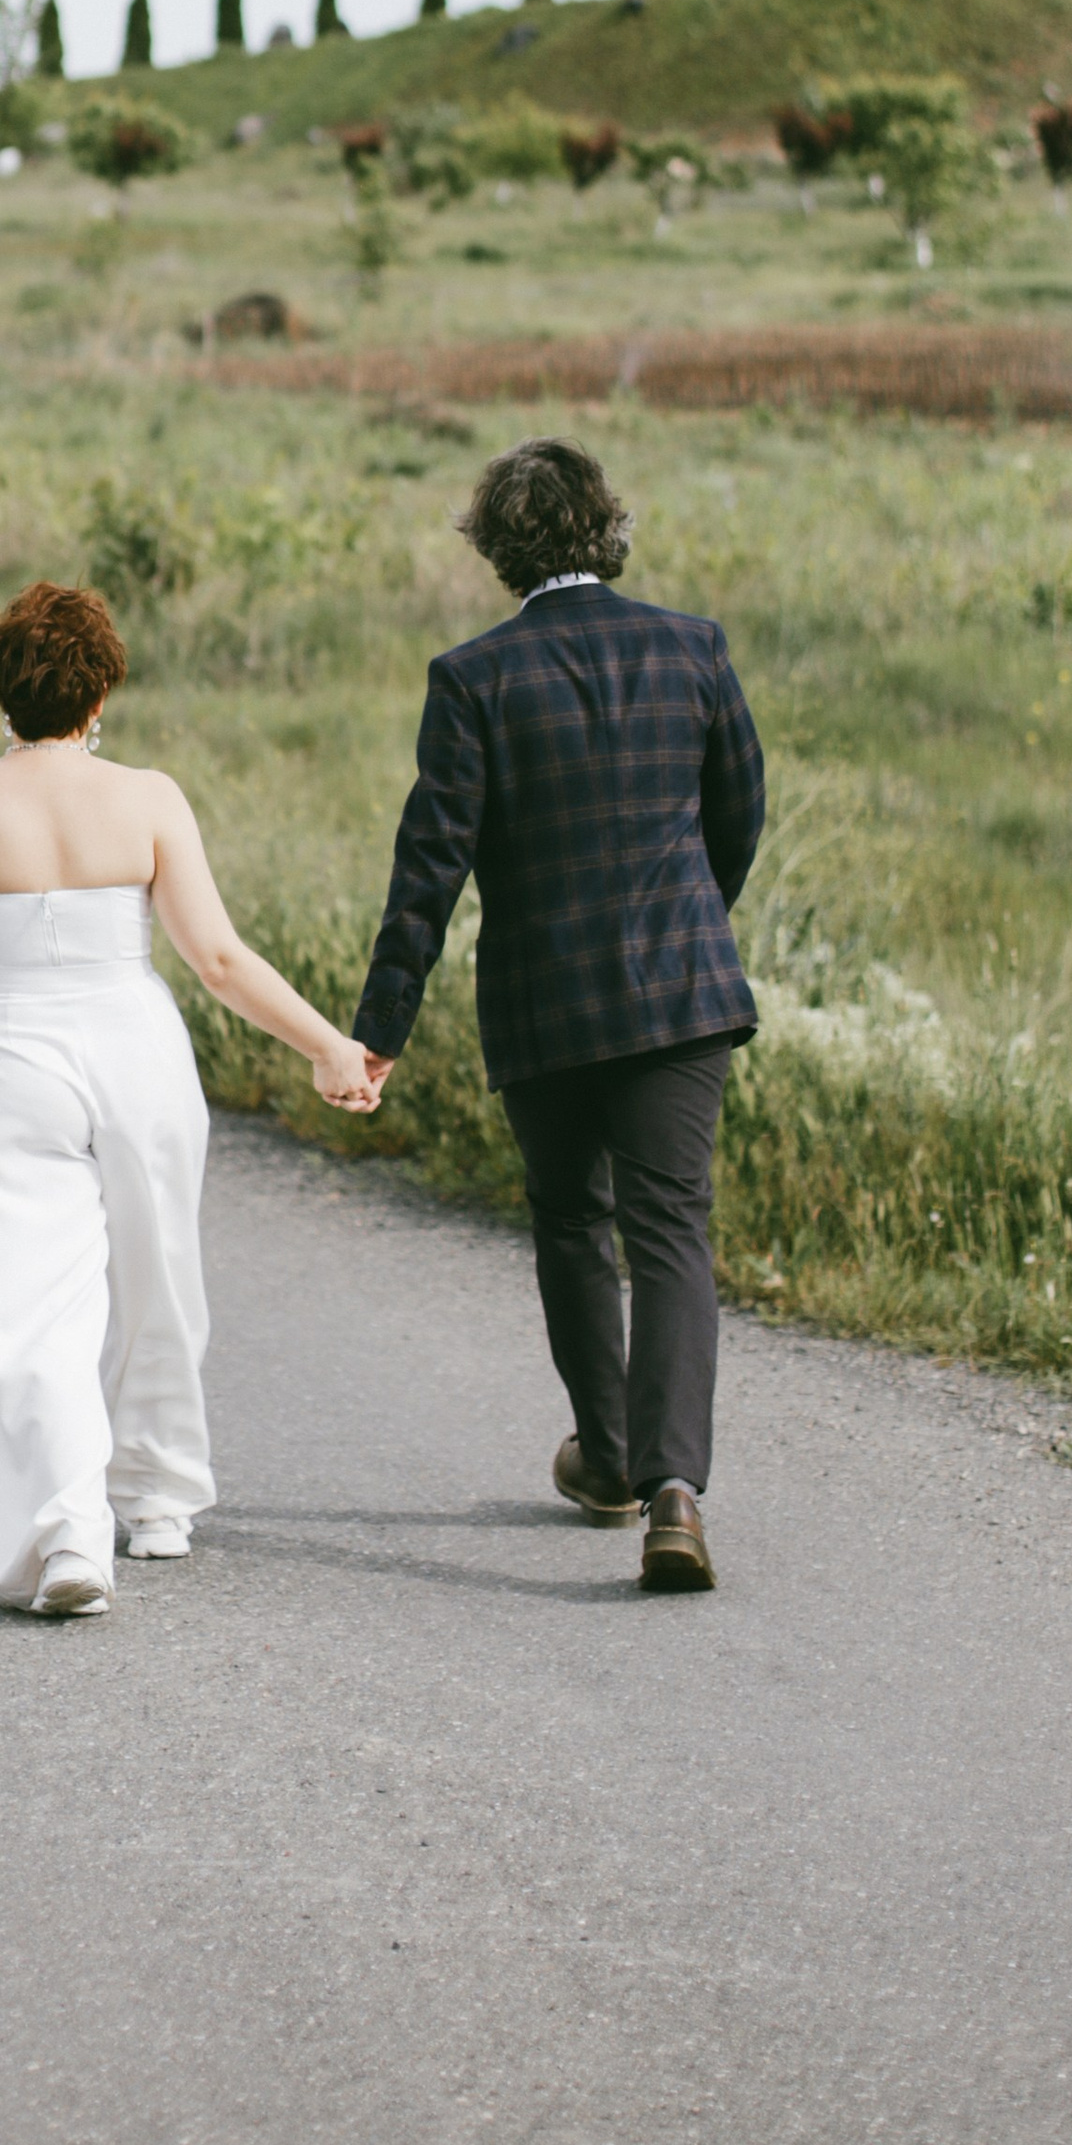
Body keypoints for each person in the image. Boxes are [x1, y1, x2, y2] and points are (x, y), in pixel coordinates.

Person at [0, 579, 379, 1617]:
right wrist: (329, 1045)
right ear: (99, 690)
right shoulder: (149, 799)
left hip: (14, 1055)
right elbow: (215, 957)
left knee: (27, 1305)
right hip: (135, 1047)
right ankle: (157, 1503)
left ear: (1, 693)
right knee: (159, 1272)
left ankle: (69, 1534)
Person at [352, 437, 765, 1593]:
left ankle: (612, 1461)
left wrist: (380, 1026)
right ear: (606, 526)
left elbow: (426, 867)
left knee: (573, 1223)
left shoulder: (473, 678)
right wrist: (688, 921)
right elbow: (739, 811)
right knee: (672, 1227)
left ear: (495, 543)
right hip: (680, 993)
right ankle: (674, 1490)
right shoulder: (692, 647)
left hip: (542, 1003)